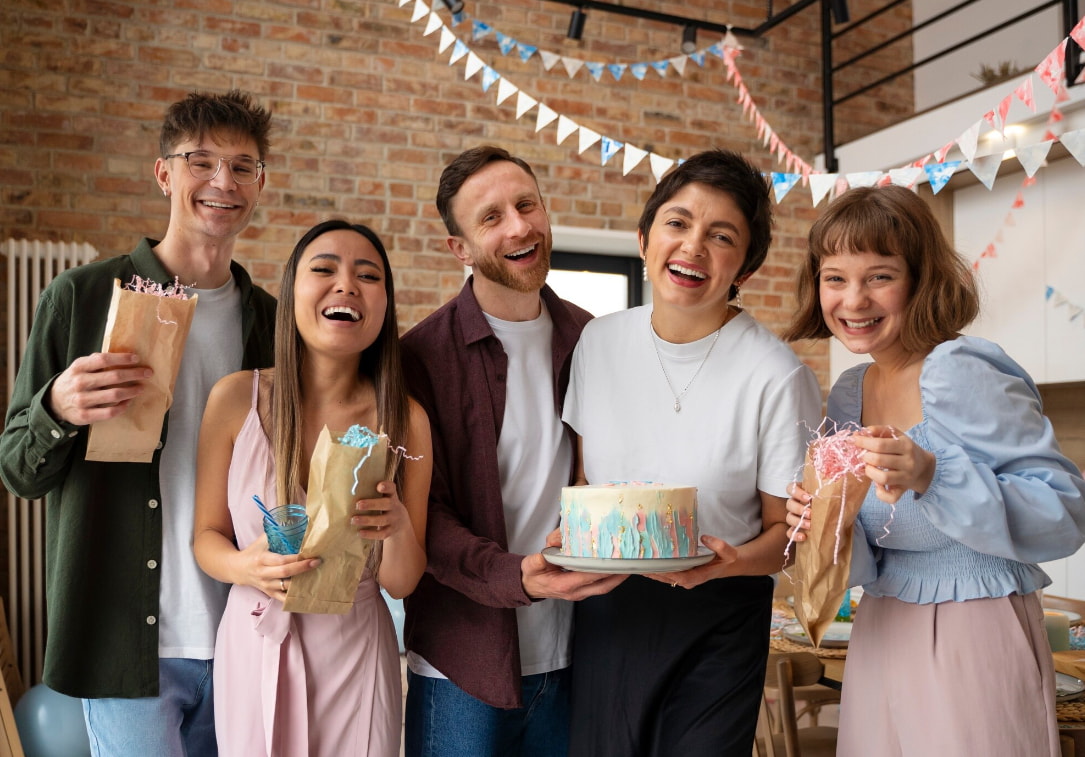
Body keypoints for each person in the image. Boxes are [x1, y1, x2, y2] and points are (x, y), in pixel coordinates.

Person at [0, 90, 276, 756]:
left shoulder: (272, 322)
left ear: (261, 184)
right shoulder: (81, 296)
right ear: (164, 173)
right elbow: (17, 468)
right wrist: (58, 407)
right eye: (201, 161)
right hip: (127, 645)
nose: (222, 181)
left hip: (249, 634)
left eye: (242, 167)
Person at [782, 185, 1085, 756]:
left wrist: (931, 475)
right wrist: (826, 523)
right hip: (878, 634)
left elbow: (1066, 511)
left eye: (879, 276)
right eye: (835, 278)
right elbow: (877, 549)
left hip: (976, 632)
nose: (853, 299)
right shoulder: (850, 393)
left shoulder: (961, 369)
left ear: (920, 279)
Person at [562, 149, 822, 757]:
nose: (693, 247)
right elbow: (582, 483)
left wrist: (722, 565)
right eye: (678, 224)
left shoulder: (777, 375)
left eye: (721, 235)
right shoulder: (597, 343)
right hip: (608, 612)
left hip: (718, 617)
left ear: (746, 268)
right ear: (645, 237)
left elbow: (788, 533)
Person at [400, 145, 627, 757]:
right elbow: (424, 518)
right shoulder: (418, 357)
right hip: (463, 664)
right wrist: (517, 577)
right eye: (491, 217)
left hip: (581, 654)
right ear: (461, 249)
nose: (519, 226)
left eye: (527, 205)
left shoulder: (594, 338)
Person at [193, 219, 430, 755]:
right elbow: (205, 536)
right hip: (254, 641)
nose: (346, 284)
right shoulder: (234, 399)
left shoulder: (406, 421)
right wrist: (243, 567)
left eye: (367, 275)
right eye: (323, 269)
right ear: (291, 292)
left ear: (384, 305)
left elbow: (402, 581)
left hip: (356, 651)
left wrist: (396, 528)